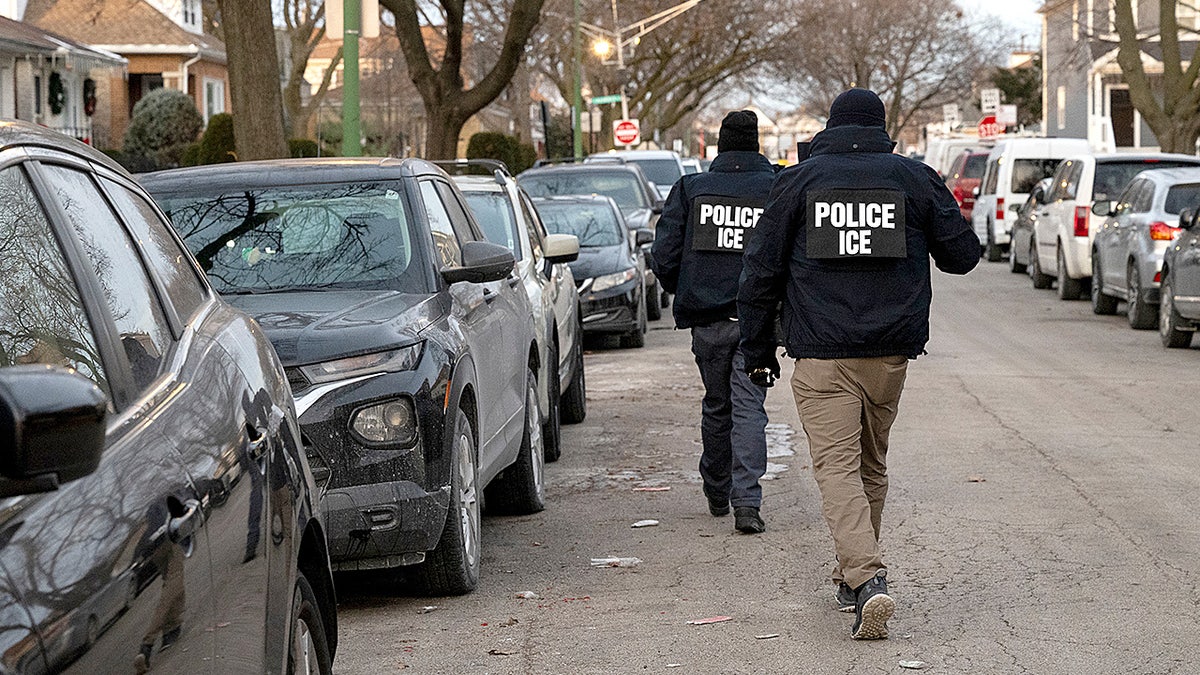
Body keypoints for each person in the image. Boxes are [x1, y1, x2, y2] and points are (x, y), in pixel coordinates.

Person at [737, 89, 979, 639]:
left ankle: (866, 578)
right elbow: (962, 257)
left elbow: (759, 272)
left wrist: (757, 351)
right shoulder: (913, 178)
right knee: (871, 465)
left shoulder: (798, 181)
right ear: (883, 127)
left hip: (821, 354)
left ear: (829, 125)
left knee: (838, 469)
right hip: (890, 354)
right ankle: (852, 578)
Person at [651, 110, 774, 534]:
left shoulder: (693, 189)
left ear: (720, 145)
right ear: (755, 143)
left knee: (717, 403)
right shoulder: (774, 188)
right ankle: (747, 502)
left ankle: (717, 489)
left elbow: (664, 256)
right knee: (749, 407)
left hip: (708, 320)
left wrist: (685, 288)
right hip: (756, 320)